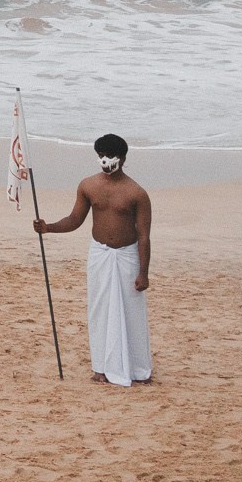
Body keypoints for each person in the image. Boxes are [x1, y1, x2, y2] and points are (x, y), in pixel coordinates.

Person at [35, 133, 154, 386]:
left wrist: (143, 272)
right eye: (100, 156)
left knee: (132, 311)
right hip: (99, 253)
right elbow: (74, 220)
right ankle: (100, 367)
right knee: (99, 309)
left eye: (109, 156)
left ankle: (138, 369)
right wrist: (48, 228)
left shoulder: (137, 193)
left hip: (127, 255)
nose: (105, 160)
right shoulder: (88, 186)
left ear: (122, 158)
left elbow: (144, 236)